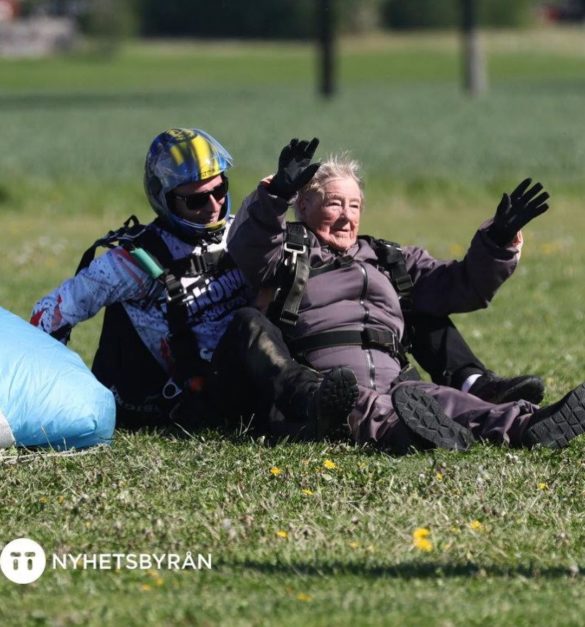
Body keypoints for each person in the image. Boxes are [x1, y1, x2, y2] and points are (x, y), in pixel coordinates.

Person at [226, 137, 585, 452]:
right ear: (303, 207)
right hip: (326, 386)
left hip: (396, 381)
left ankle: (527, 425)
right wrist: (274, 197)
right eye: (334, 204)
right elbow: (250, 250)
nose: (345, 217)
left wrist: (496, 241)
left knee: (445, 401)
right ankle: (404, 432)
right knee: (364, 405)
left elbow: (459, 285)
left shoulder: (389, 259)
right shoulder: (287, 252)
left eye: (354, 206)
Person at [30, 128, 358, 433]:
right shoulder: (132, 263)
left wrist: (281, 194)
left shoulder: (239, 230)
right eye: (197, 200)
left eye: (220, 190)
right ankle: (309, 401)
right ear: (164, 199)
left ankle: (350, 400)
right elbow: (47, 315)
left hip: (259, 375)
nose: (213, 206)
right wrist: (53, 392)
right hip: (202, 394)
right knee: (249, 322)